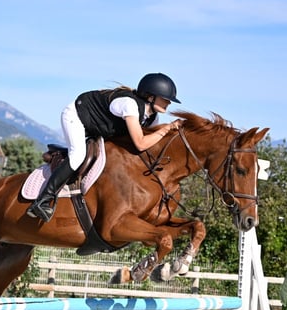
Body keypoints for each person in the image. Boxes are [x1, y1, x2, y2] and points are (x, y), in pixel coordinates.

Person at [26, 72, 183, 222]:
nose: (169, 102)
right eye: (166, 99)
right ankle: (43, 201)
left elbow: (148, 146)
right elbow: (141, 143)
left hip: (100, 128)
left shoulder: (152, 117)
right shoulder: (129, 105)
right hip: (77, 116)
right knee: (78, 155)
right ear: (150, 96)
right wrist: (166, 129)